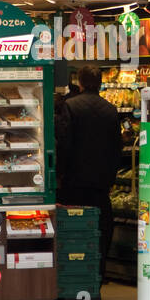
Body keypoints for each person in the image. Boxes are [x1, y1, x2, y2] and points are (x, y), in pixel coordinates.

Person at [55, 66, 122, 282]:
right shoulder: (111, 110)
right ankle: (98, 273)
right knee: (101, 229)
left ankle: (75, 273)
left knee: (75, 229)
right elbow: (116, 148)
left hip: (74, 182)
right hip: (100, 183)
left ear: (80, 83)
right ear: (100, 82)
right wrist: (111, 178)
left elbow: (65, 144)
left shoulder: (71, 107)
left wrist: (60, 174)